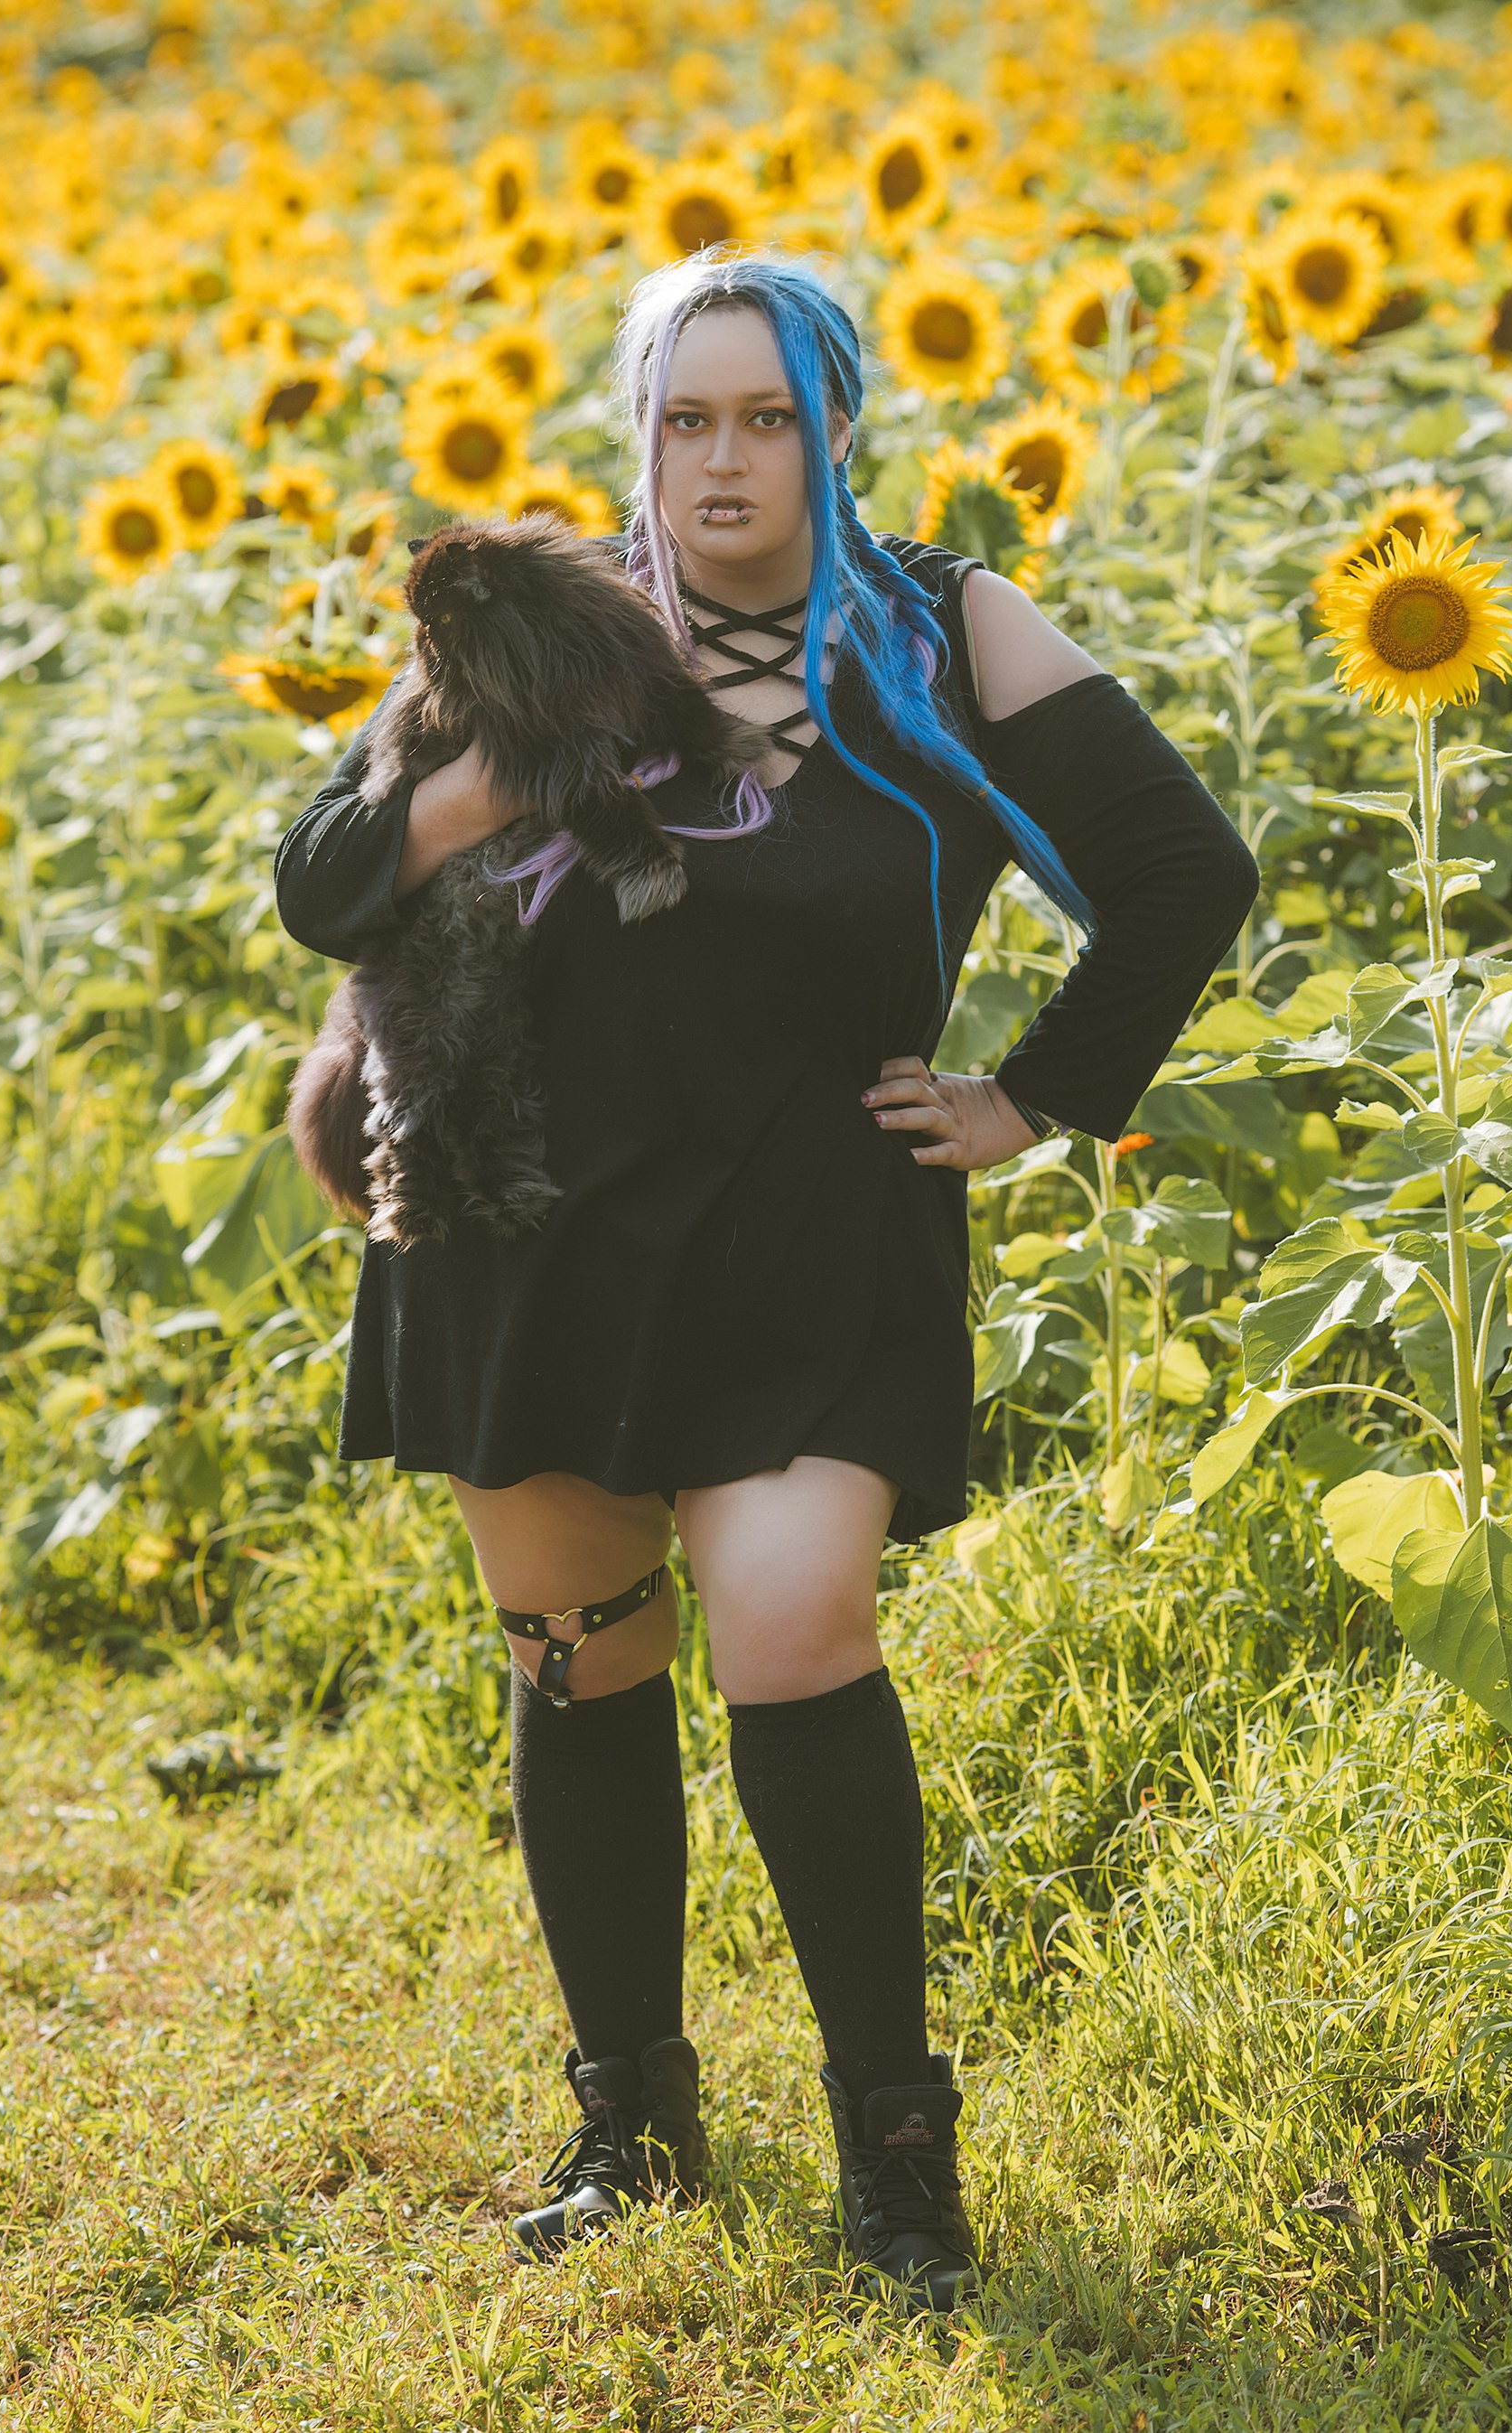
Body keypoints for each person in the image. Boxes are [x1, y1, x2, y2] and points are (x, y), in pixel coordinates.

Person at [274, 247, 1259, 2316]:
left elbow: (1184, 870)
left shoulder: (943, 629)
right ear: (638, 431)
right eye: (684, 419)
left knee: (795, 1627)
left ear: (834, 427)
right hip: (526, 1229)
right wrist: (486, 782)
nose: (721, 464)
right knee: (577, 1660)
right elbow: (324, 880)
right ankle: (628, 2118)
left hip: (816, 1222)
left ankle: (897, 2153)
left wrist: (1035, 1098)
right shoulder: (552, 636)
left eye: (766, 419)